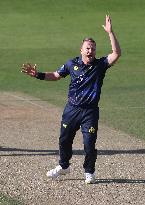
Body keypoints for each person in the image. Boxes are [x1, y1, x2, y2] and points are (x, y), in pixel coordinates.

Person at [21, 15, 121, 184]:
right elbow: (55, 75)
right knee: (64, 140)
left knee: (89, 144)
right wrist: (37, 74)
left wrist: (110, 33)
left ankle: (89, 171)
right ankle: (64, 166)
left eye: (93, 49)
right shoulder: (71, 64)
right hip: (72, 109)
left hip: (90, 111)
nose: (90, 51)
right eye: (88, 48)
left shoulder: (100, 65)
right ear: (81, 50)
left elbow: (116, 53)